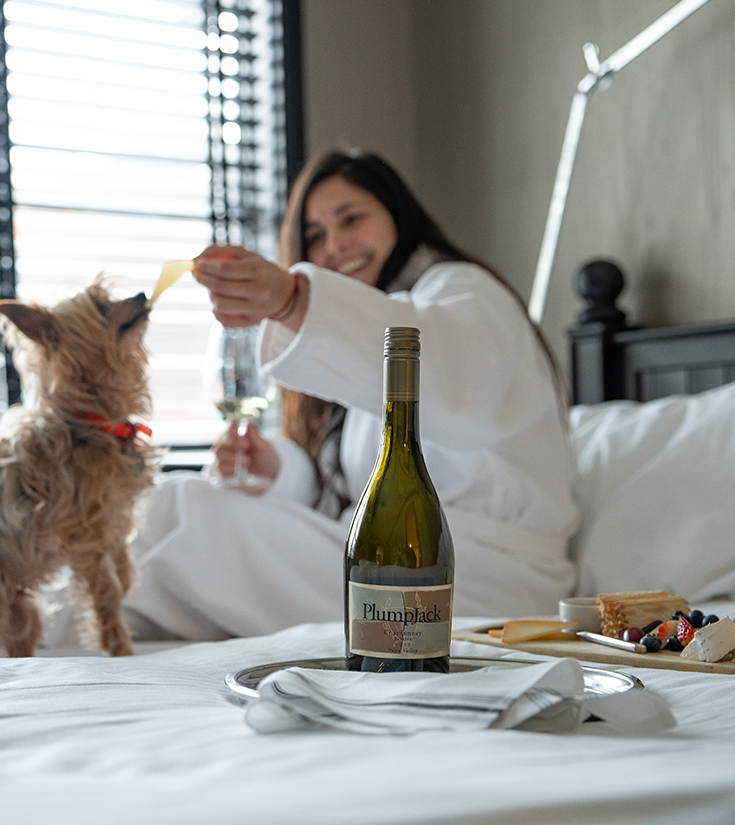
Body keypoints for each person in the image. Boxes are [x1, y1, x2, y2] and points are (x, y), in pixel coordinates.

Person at [122, 149, 579, 642]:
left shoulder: (464, 292)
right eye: (315, 237)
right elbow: (348, 495)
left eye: (351, 219)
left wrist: (294, 300)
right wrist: (280, 468)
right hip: (395, 563)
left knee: (179, 515)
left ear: (397, 216)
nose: (334, 246)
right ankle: (59, 630)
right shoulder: (369, 324)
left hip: (484, 580)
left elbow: (449, 374)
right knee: (173, 516)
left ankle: (42, 634)